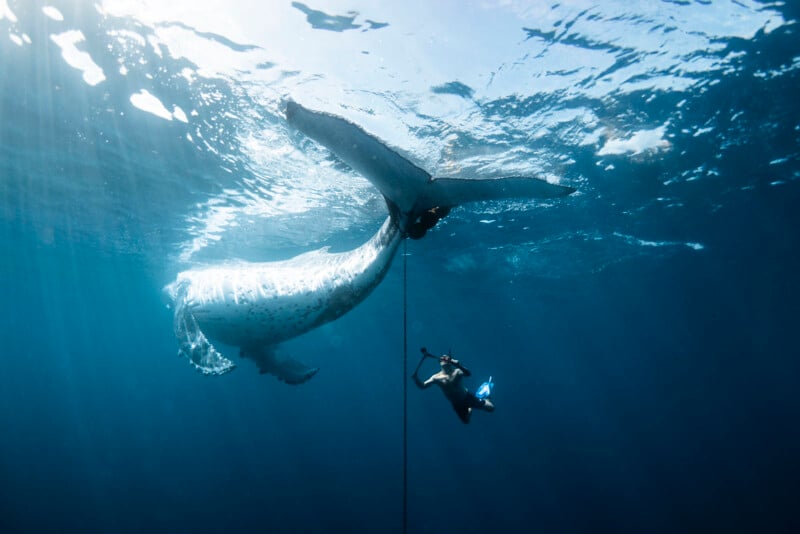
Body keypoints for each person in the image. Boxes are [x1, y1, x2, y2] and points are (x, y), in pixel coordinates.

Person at [413, 347, 494, 424]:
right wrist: (416, 379)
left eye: (446, 357)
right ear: (439, 362)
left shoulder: (457, 371)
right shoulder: (436, 378)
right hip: (456, 404)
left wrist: (459, 365)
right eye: (442, 357)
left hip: (467, 397)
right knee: (466, 421)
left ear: (450, 361)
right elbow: (423, 386)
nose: (444, 358)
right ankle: (469, 409)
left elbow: (468, 374)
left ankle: (486, 399)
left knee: (491, 408)